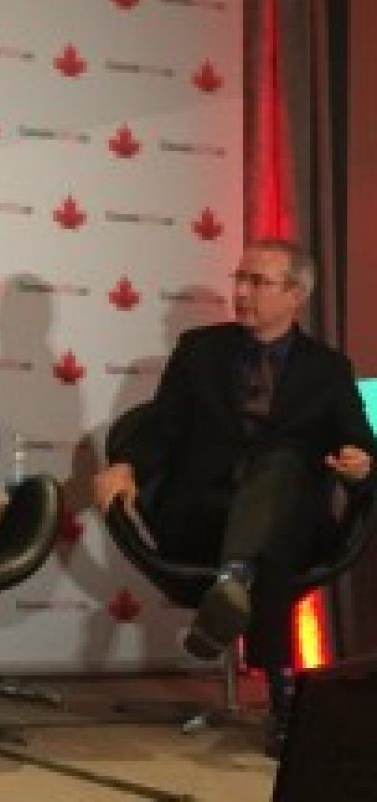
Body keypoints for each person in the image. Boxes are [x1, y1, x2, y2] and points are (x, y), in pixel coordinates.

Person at [94, 238, 374, 755]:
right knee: (271, 545)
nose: (241, 292)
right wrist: (125, 463)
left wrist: (360, 466)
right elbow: (162, 426)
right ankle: (283, 704)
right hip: (204, 517)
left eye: (257, 282)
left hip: (292, 521)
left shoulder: (328, 368)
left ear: (296, 295)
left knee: (282, 472)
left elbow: (359, 443)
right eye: (239, 279)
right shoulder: (199, 350)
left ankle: (235, 582)